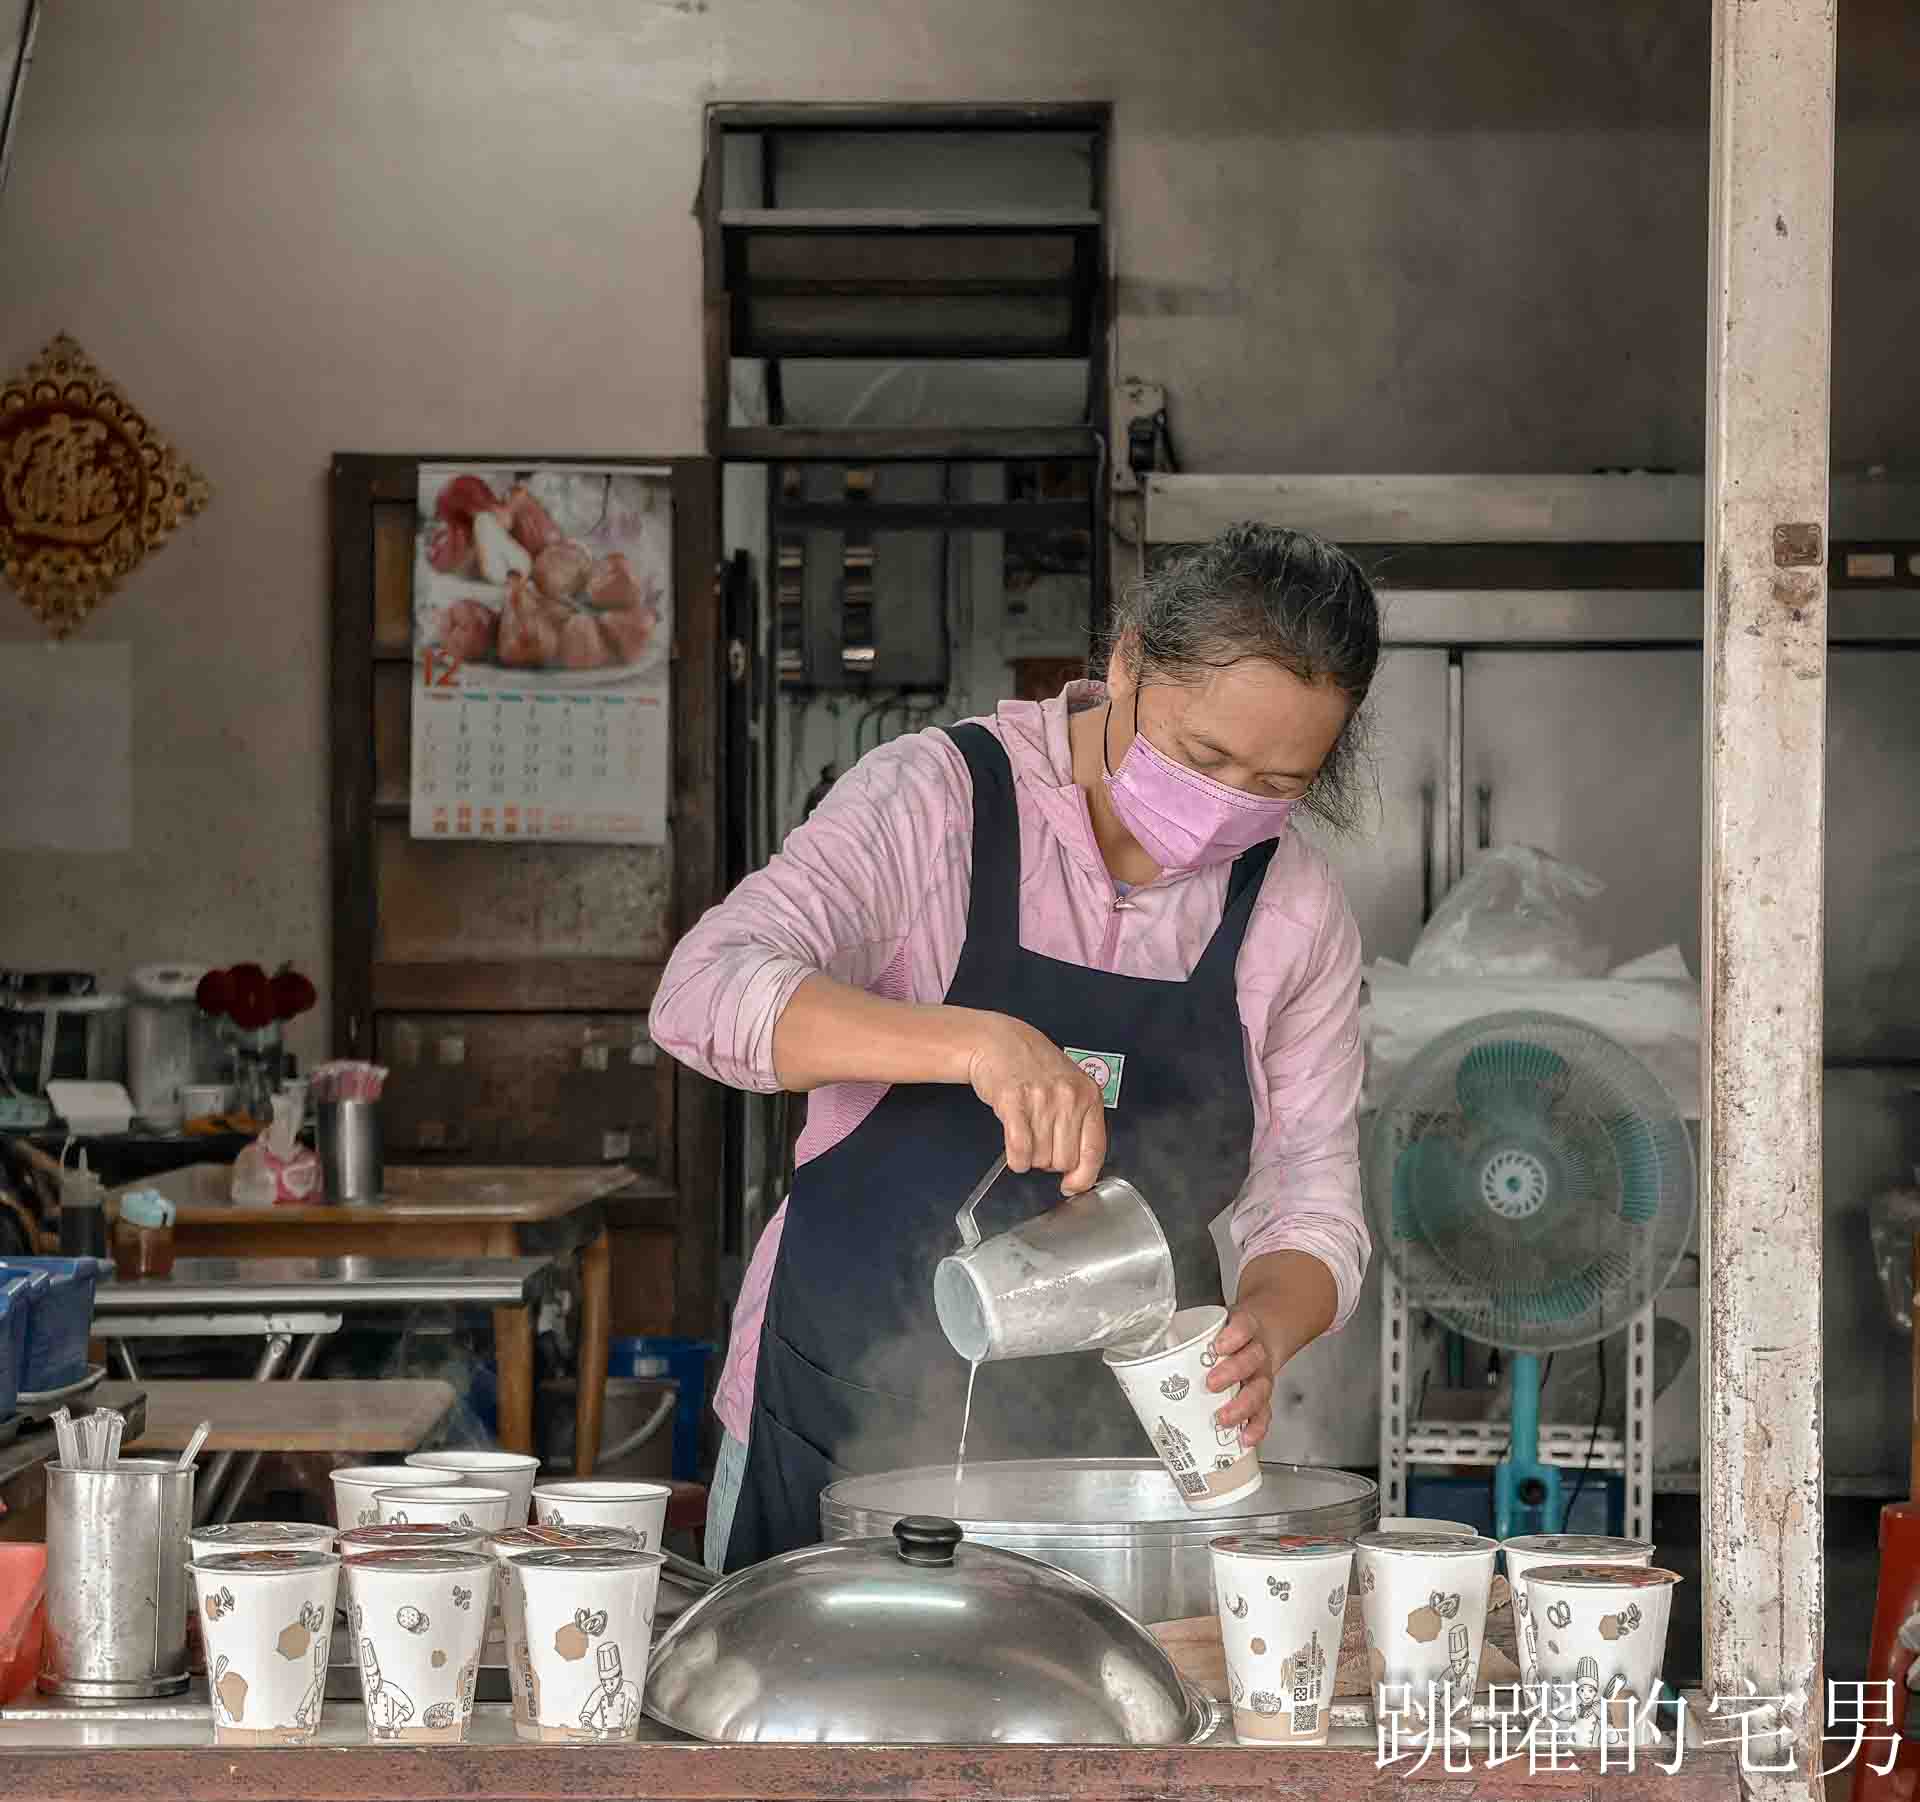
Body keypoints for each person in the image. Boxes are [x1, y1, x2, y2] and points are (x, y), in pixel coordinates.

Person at [652, 523, 1380, 1571]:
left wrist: (1265, 1324)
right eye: (1204, 756)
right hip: (842, 1396)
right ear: (1126, 663)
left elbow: (1311, 1186)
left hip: (1111, 1452)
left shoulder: (1294, 905)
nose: (1229, 802)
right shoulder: (938, 801)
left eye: (1276, 782)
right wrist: (969, 1041)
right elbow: (701, 990)